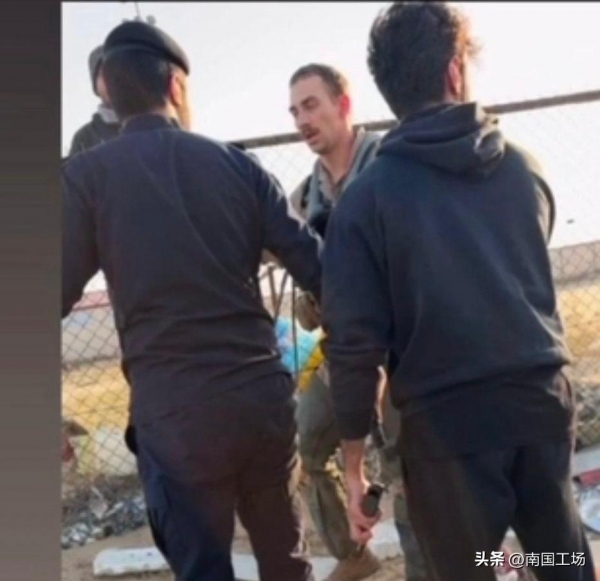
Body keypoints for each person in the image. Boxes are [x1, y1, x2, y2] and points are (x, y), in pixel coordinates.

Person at [321, 3, 595, 581]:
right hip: (540, 399)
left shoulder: (365, 203)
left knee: (467, 567)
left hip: (447, 428)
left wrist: (354, 465)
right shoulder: (525, 171)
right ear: (454, 71)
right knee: (562, 557)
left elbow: (354, 347)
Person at [62, 20, 322, 581]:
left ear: (108, 92)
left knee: (203, 569)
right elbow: (319, 268)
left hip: (175, 416)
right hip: (259, 400)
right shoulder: (238, 165)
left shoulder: (85, 179)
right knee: (287, 562)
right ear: (176, 85)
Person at [286, 63, 428, 581]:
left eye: (311, 105)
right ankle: (354, 553)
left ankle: (427, 571)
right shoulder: (305, 198)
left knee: (407, 472)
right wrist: (314, 303)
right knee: (306, 447)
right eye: (294, 111)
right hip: (346, 352)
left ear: (344, 105)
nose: (302, 120)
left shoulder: (393, 165)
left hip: (405, 349)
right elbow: (309, 293)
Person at [68, 46, 121, 156]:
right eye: (103, 74)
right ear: (95, 86)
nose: (112, 80)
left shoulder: (153, 127)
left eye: (117, 71)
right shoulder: (84, 139)